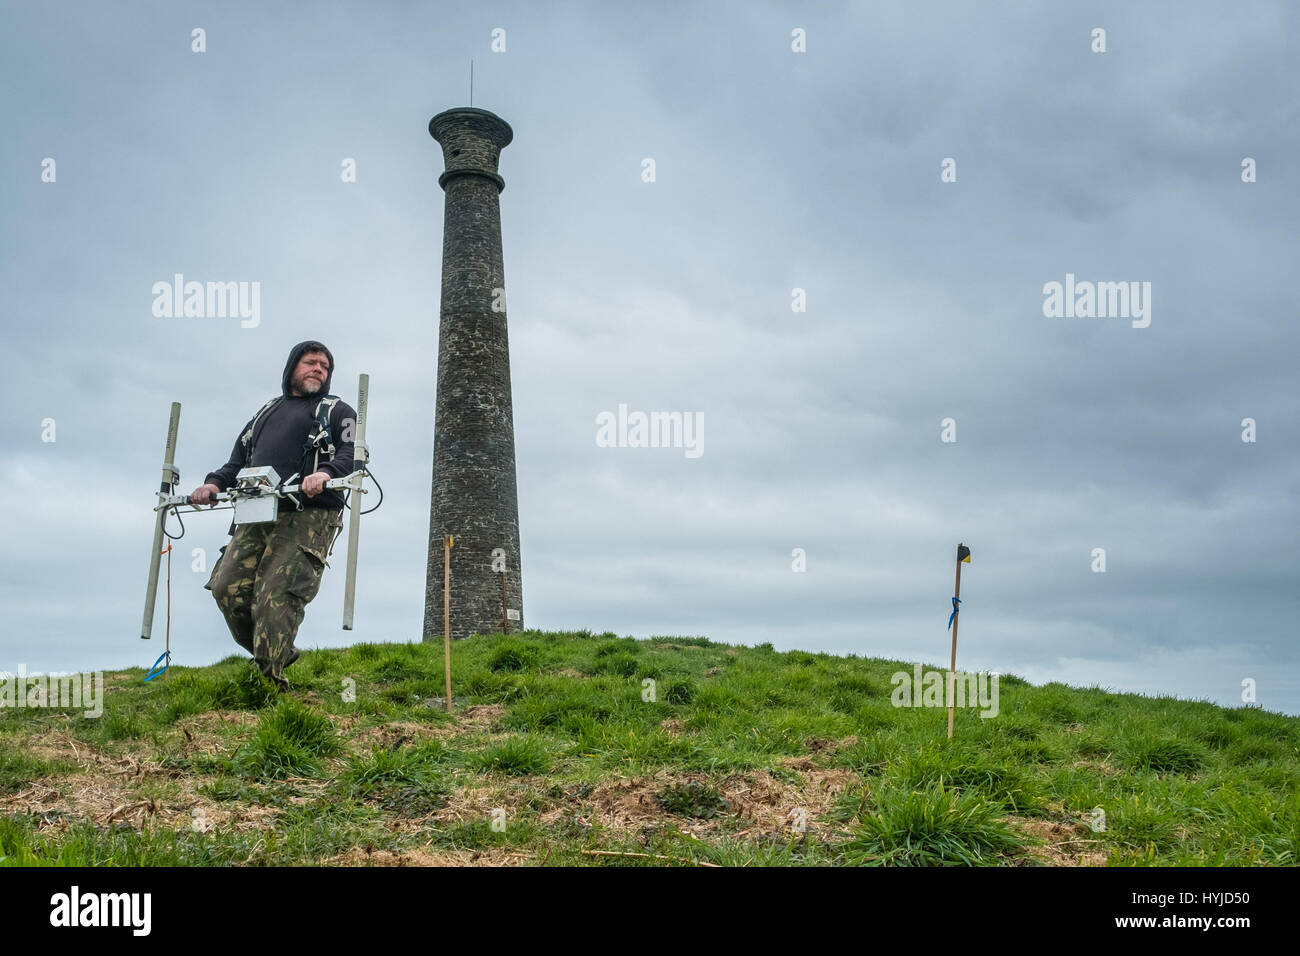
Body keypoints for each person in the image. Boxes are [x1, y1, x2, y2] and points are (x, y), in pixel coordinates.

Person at [191, 341, 357, 691]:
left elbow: (351, 454)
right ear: (292, 367)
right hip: (256, 511)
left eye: (325, 366)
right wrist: (212, 483)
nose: (319, 369)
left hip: (309, 515)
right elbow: (237, 462)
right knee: (226, 588)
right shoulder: (265, 413)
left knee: (276, 595)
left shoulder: (338, 411)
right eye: (310, 362)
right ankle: (277, 652)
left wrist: (325, 473)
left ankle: (268, 686)